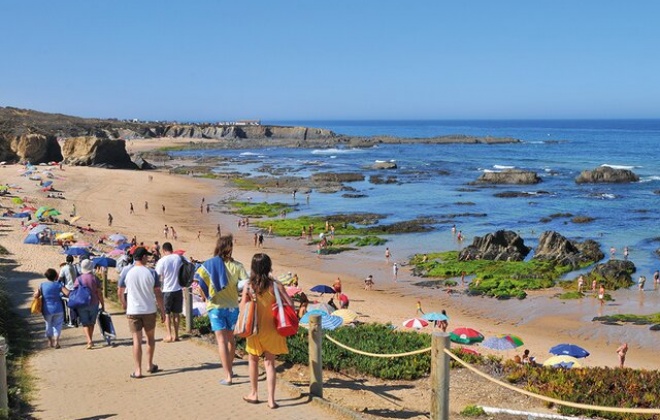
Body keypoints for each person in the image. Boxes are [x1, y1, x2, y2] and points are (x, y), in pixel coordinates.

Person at [242, 253, 293, 409]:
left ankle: (254, 393)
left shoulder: (249, 286)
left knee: (253, 360)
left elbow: (243, 307)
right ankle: (271, 400)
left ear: (253, 267)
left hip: (254, 328)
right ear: (269, 266)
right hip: (273, 329)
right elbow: (290, 303)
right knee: (270, 363)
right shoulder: (276, 285)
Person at [197, 235, 248, 386]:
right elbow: (245, 285)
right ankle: (230, 370)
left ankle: (228, 376)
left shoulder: (210, 264)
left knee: (221, 341)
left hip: (216, 308)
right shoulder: (238, 266)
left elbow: (200, 283)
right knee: (231, 340)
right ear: (231, 248)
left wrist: (205, 297)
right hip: (233, 307)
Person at [119, 247, 165, 379]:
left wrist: (124, 305)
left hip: (133, 310)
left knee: (136, 340)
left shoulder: (127, 271)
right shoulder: (151, 272)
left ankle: (138, 370)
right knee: (150, 338)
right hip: (149, 309)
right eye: (147, 256)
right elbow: (158, 293)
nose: (149, 258)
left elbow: (120, 291)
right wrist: (162, 310)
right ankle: (149, 365)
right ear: (143, 257)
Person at [33, 268, 69, 348]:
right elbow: (67, 293)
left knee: (48, 325)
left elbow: (36, 295)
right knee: (58, 325)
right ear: (55, 276)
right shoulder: (58, 285)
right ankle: (56, 341)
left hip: (46, 309)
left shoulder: (42, 285)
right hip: (58, 308)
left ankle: (50, 341)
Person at [154, 242, 183, 343]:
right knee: (176, 313)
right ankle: (176, 335)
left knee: (167, 313)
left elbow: (157, 275)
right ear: (172, 249)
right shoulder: (178, 258)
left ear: (163, 250)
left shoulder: (162, 261)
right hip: (178, 288)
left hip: (167, 289)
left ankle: (169, 335)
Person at [75, 259, 105, 349]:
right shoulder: (95, 278)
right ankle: (90, 340)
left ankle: (89, 340)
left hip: (82, 303)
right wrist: (103, 304)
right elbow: (99, 293)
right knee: (92, 323)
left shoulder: (78, 279)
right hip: (94, 303)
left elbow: (75, 290)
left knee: (85, 323)